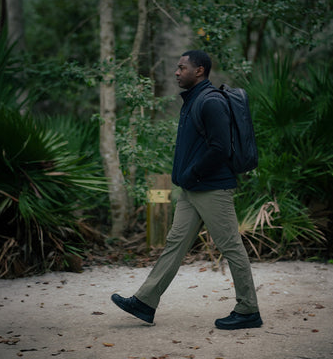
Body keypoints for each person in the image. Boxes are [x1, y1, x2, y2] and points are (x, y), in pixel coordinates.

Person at [111, 50, 262, 330]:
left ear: (200, 70)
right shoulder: (193, 100)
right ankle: (145, 301)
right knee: (174, 244)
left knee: (231, 247)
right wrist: (187, 178)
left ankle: (248, 309)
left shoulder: (211, 101)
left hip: (213, 189)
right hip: (192, 190)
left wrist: (192, 173)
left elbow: (220, 148)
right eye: (177, 68)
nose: (177, 72)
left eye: (182, 68)